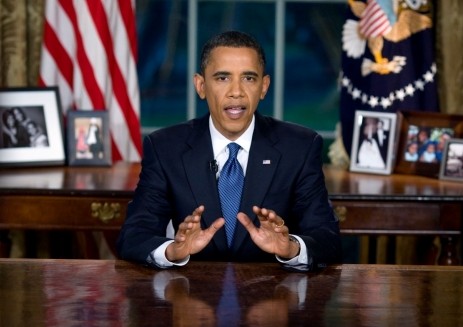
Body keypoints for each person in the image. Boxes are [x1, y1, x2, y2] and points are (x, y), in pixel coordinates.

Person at [117, 31, 342, 271]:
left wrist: (292, 248)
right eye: (223, 78)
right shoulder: (165, 147)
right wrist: (173, 250)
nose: (236, 91)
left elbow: (327, 239)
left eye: (249, 78)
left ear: (264, 87)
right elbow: (134, 236)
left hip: (272, 297)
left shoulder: (299, 147)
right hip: (192, 297)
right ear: (201, 86)